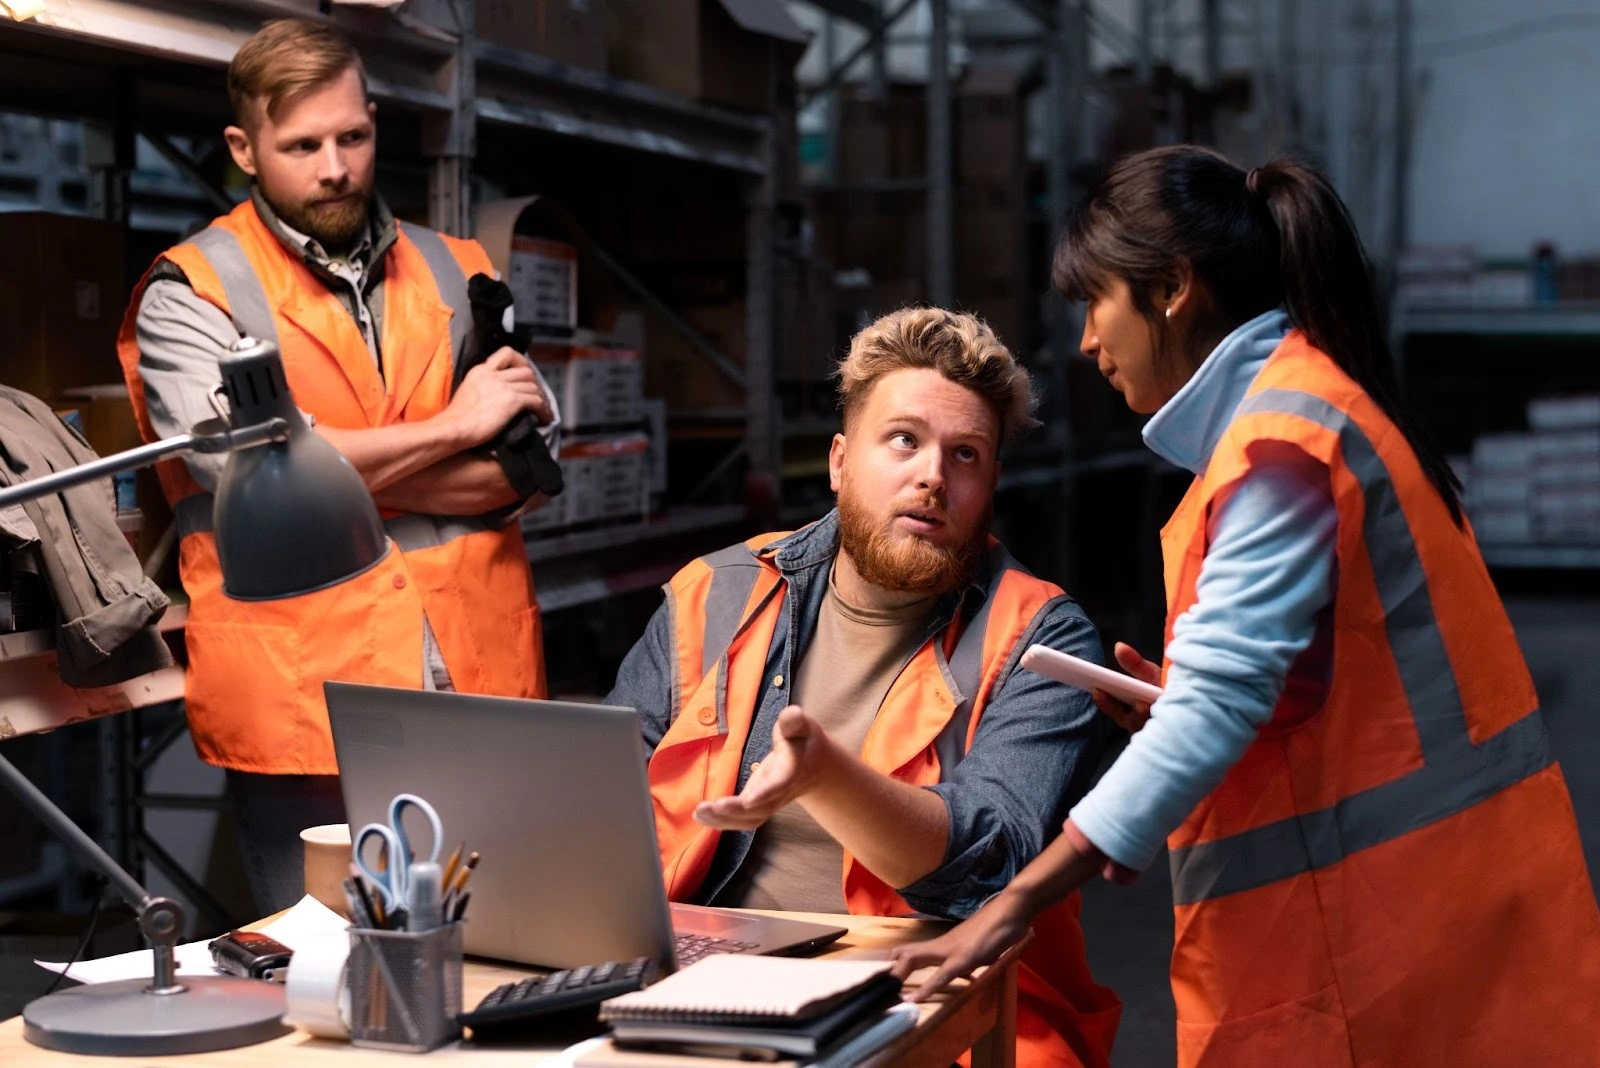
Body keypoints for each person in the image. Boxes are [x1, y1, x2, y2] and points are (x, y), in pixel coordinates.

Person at [888, 146, 1600, 1066]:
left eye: (1095, 303)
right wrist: (1172, 703)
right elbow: (1309, 684)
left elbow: (1223, 706)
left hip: (1385, 943)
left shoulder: (1282, 449)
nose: (1086, 344)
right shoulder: (1310, 414)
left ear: (1174, 288)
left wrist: (1011, 904)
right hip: (1422, 917)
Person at [115, 18, 555, 914]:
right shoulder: (191, 291)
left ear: (375, 122)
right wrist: (456, 427)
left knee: (494, 959)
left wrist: (313, 462)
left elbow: (521, 468)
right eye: (302, 145)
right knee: (324, 975)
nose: (334, 167)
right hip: (306, 695)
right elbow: (232, 472)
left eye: (352, 137)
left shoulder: (453, 268)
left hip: (471, 673)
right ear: (243, 147)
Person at [606, 308, 1122, 1067]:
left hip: (943, 1010)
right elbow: (607, 812)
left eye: (966, 454)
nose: (932, 477)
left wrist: (824, 775)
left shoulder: (1040, 639)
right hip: (710, 989)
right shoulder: (714, 596)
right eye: (904, 440)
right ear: (842, 460)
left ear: (991, 486)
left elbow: (988, 859)